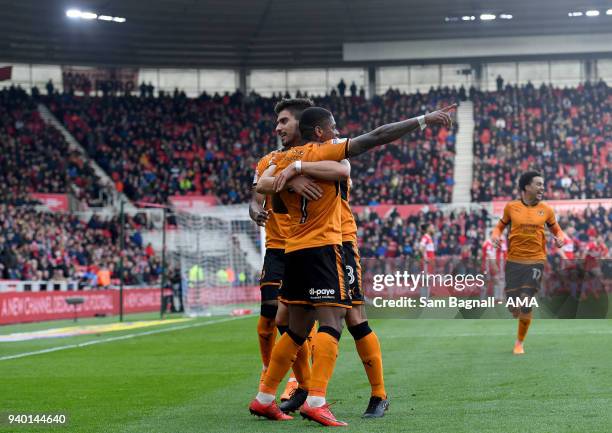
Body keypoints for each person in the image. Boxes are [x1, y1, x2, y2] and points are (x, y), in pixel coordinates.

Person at [250, 104, 454, 425]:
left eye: (284, 122)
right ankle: (312, 394)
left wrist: (293, 172)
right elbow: (367, 145)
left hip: (322, 243)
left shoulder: (282, 161)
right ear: (317, 130)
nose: (279, 127)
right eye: (278, 122)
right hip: (328, 243)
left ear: (297, 127)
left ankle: (373, 394)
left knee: (333, 319)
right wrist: (423, 120)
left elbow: (269, 188)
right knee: (328, 320)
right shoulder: (302, 155)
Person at [491, 171, 566, 355]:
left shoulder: (546, 210)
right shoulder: (511, 207)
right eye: (538, 184)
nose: (542, 187)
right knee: (513, 305)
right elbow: (500, 226)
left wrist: (560, 238)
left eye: (543, 184)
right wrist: (495, 235)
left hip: (536, 260)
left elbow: (557, 230)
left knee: (526, 300)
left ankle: (519, 343)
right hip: (514, 261)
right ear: (526, 187)